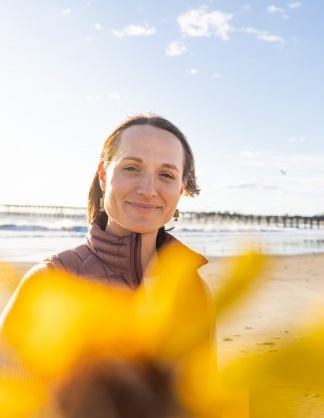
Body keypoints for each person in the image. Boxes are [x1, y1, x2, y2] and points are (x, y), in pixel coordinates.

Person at [0, 113, 210, 320]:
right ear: (103, 175)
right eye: (131, 168)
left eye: (166, 175)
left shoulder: (195, 289)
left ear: (181, 189)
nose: (148, 190)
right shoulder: (51, 280)